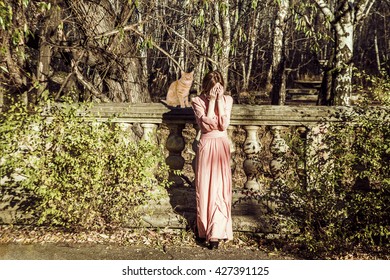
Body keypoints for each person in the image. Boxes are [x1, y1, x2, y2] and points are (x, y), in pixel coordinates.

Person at [191, 70, 234, 250]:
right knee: (206, 187)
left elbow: (223, 124)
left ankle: (216, 232)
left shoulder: (228, 100)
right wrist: (211, 102)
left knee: (221, 189)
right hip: (207, 146)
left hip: (222, 145)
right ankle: (206, 230)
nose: (217, 92)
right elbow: (206, 124)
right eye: (213, 89)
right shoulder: (197, 101)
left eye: (219, 88)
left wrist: (219, 102)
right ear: (207, 87)